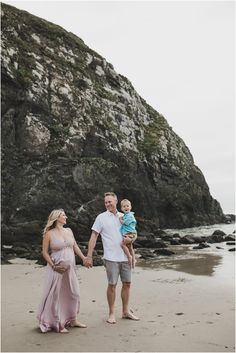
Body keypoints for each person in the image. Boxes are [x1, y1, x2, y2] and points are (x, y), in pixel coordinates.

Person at [84, 192, 140, 324]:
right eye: (106, 202)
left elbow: (132, 234)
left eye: (110, 201)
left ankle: (126, 311)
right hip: (111, 257)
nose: (108, 204)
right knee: (112, 285)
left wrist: (133, 254)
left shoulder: (124, 216)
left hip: (125, 257)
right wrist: (89, 255)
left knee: (127, 284)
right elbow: (94, 236)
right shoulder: (101, 218)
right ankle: (111, 313)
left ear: (116, 201)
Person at [37, 209, 87, 333]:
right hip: (56, 269)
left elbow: (74, 246)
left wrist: (84, 258)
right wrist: (54, 266)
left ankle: (73, 319)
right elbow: (44, 252)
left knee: (74, 293)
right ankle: (57, 322)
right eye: (63, 215)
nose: (66, 217)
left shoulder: (69, 231)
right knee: (56, 295)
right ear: (56, 218)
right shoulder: (49, 233)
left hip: (70, 269)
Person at [119, 199, 137, 268]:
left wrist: (120, 219)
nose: (126, 207)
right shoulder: (125, 215)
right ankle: (134, 260)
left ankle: (129, 256)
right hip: (129, 233)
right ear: (121, 208)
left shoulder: (130, 215)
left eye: (127, 206)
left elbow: (125, 223)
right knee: (130, 247)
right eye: (124, 206)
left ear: (130, 207)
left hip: (130, 233)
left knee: (122, 244)